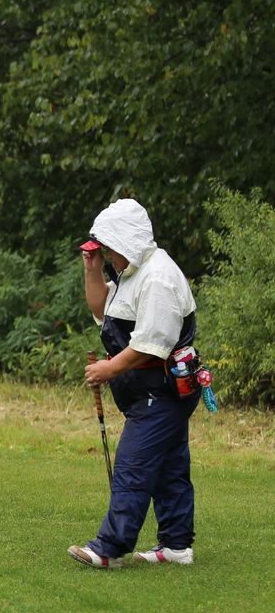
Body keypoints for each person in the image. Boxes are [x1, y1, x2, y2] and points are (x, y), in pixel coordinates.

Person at [68, 199, 200, 569]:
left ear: (127, 241)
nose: (107, 253)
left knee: (133, 466)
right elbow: (101, 311)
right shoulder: (132, 273)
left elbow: (151, 347)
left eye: (109, 247)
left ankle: (109, 548)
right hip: (151, 393)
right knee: (169, 469)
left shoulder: (157, 277)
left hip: (162, 391)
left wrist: (107, 369)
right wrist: (92, 269)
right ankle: (176, 546)